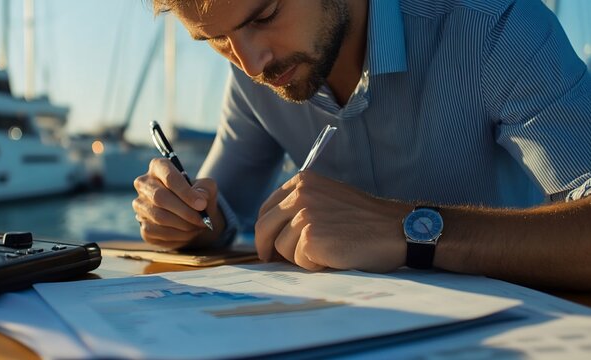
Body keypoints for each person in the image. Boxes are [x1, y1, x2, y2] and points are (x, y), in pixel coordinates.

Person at [133, 0, 591, 290]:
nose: (251, 64)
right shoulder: (256, 73)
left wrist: (406, 229)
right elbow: (219, 210)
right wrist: (186, 219)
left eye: (266, 15)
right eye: (216, 40)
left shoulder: (494, 23)